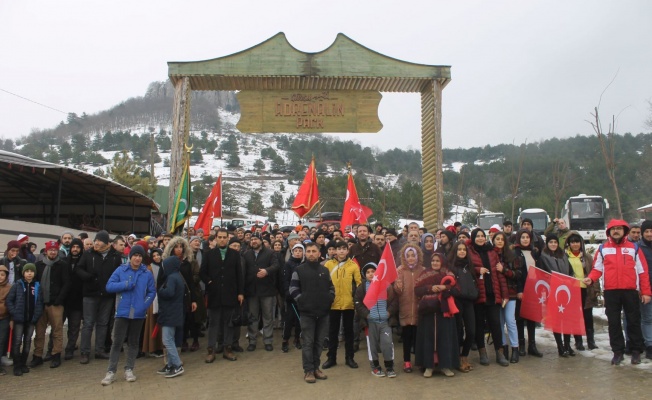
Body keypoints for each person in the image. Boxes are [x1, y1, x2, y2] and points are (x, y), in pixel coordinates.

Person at [584, 219, 652, 365]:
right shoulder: (603, 249)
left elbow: (642, 272)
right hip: (611, 292)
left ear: (624, 231)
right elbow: (597, 269)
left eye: (619, 229)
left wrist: (646, 292)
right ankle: (618, 352)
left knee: (634, 321)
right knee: (614, 323)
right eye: (613, 229)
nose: (616, 231)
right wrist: (590, 278)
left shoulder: (634, 248)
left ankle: (635, 351)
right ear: (609, 232)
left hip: (630, 291)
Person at [101, 245, 156, 386]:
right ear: (130, 256)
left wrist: (144, 305)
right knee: (117, 342)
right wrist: (125, 284)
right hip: (122, 312)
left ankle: (129, 369)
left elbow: (151, 292)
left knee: (133, 342)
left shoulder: (147, 273)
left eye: (140, 256)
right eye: (135, 255)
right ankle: (111, 371)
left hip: (138, 313)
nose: (137, 258)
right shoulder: (121, 270)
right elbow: (109, 286)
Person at [289, 242, 335, 384]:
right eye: (308, 251)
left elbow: (331, 287)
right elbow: (293, 289)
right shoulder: (299, 270)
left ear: (319, 253)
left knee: (319, 342)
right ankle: (308, 370)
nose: (310, 253)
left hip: (323, 313)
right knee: (308, 342)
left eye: (313, 251)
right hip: (307, 313)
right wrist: (302, 300)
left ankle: (316, 368)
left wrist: (329, 299)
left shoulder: (325, 270)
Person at [75, 230, 123, 364]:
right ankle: (85, 352)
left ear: (107, 242)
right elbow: (79, 269)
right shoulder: (88, 254)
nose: (96, 243)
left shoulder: (115, 256)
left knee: (103, 323)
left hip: (107, 294)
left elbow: (119, 272)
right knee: (88, 324)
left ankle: (100, 350)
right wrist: (88, 277)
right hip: (90, 294)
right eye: (96, 240)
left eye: (100, 240)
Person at [201, 228, 244, 363]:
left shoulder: (235, 254)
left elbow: (239, 275)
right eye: (219, 237)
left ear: (228, 239)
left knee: (228, 323)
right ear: (216, 239)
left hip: (230, 294)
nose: (222, 239)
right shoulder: (209, 254)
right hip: (214, 294)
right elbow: (202, 272)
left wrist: (240, 292)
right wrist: (209, 281)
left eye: (224, 237)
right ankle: (211, 350)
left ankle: (227, 349)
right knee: (214, 323)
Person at [468, 228, 510, 367]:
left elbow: (499, 275)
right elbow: (466, 269)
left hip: (493, 294)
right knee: (479, 325)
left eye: (482, 236)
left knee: (496, 324)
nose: (480, 238)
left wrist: (504, 294)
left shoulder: (492, 251)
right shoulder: (469, 251)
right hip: (478, 295)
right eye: (477, 236)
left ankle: (500, 352)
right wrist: (476, 270)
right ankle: (482, 353)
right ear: (473, 238)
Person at [415, 253, 460, 377]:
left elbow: (457, 290)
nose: (435, 263)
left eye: (437, 260)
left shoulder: (449, 275)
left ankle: (445, 366)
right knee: (429, 339)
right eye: (433, 260)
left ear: (442, 262)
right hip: (428, 312)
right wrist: (430, 288)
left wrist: (445, 287)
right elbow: (417, 289)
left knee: (444, 339)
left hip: (444, 312)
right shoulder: (424, 274)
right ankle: (429, 366)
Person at [322, 240, 362, 370]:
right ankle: (331, 358)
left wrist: (356, 301)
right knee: (332, 332)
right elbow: (323, 282)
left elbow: (359, 284)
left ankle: (349, 358)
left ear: (347, 250)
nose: (341, 251)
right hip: (333, 303)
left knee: (349, 332)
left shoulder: (353, 266)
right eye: (339, 249)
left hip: (348, 304)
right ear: (335, 250)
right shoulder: (328, 264)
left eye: (344, 248)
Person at [31, 240, 71, 369]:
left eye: (54, 250)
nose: (53, 252)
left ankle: (56, 354)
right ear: (46, 251)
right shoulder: (38, 265)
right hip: (41, 303)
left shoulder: (63, 265)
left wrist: (59, 299)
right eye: (50, 250)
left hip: (56, 303)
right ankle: (37, 356)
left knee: (57, 331)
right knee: (40, 331)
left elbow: (67, 284)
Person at [354, 262, 397, 378]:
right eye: (368, 272)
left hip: (384, 321)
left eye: (373, 271)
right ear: (364, 274)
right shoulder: (362, 287)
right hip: (370, 322)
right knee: (372, 345)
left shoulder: (386, 285)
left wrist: (389, 312)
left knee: (387, 343)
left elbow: (394, 301)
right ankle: (375, 366)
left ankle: (389, 366)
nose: (371, 274)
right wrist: (366, 315)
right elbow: (357, 303)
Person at [538, 234, 575, 357]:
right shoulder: (543, 257)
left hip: (565, 292)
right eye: (550, 242)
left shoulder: (563, 256)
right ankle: (560, 347)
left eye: (555, 242)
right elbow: (541, 274)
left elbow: (570, 271)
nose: (553, 244)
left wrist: (570, 281)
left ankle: (567, 345)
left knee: (567, 320)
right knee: (557, 321)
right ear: (547, 243)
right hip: (552, 293)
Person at [163, 237, 202, 353]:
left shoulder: (187, 263)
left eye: (181, 247)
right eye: (176, 247)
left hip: (186, 295)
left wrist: (193, 300)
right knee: (180, 322)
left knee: (191, 319)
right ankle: (182, 342)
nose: (179, 249)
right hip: (173, 296)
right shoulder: (167, 263)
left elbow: (191, 282)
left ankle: (194, 341)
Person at [242, 233, 280, 352]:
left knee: (267, 317)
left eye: (256, 239)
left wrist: (267, 271)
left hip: (267, 291)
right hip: (252, 291)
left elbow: (276, 265)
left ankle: (268, 340)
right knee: (252, 317)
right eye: (252, 239)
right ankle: (252, 341)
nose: (253, 241)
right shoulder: (246, 254)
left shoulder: (270, 253)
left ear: (261, 241)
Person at [564, 232, 600, 351]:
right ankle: (578, 341)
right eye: (573, 242)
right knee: (575, 316)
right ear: (569, 244)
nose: (575, 244)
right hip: (571, 290)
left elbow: (594, 272)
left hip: (586, 290)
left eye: (577, 242)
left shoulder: (587, 257)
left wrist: (596, 289)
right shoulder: (565, 257)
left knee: (588, 316)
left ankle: (591, 341)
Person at [7, 263, 44, 376]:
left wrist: (36, 316)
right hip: (19, 320)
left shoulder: (37, 285)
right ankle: (17, 365)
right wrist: (14, 313)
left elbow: (39, 303)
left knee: (28, 342)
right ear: (23, 273)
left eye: (31, 271)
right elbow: (9, 300)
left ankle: (23, 363)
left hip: (31, 320)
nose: (29, 273)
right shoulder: (17, 284)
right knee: (17, 341)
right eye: (27, 271)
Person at [393, 244, 424, 373]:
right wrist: (397, 285)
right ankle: (407, 361)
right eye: (408, 256)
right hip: (405, 308)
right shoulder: (400, 271)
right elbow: (397, 291)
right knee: (407, 337)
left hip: (419, 309)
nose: (411, 258)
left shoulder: (423, 270)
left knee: (418, 337)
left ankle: (420, 360)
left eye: (413, 255)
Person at [156, 256, 189, 378]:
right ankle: (170, 365)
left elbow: (169, 293)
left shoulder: (171, 277)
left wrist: (160, 290)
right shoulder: (177, 276)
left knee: (167, 340)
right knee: (171, 339)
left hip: (170, 313)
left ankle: (177, 364)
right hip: (174, 312)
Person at [448, 240, 477, 372]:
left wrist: (474, 293)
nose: (461, 251)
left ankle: (464, 356)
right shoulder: (450, 267)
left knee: (471, 331)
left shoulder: (469, 267)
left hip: (469, 301)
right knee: (458, 331)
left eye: (464, 250)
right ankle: (458, 359)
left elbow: (475, 283)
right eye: (459, 249)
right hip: (456, 301)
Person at [514, 229, 543, 357]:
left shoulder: (534, 252)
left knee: (532, 317)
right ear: (519, 238)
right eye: (523, 237)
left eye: (527, 237)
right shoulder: (515, 253)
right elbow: (517, 272)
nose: (525, 239)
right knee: (520, 318)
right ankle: (521, 345)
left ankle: (532, 345)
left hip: (533, 289)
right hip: (521, 289)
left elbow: (540, 270)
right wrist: (519, 290)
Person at [493, 232, 520, 363]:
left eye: (501, 239)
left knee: (510, 320)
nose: (499, 241)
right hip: (496, 293)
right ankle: (503, 349)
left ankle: (515, 348)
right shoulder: (491, 256)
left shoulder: (511, 256)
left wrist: (504, 270)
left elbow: (517, 274)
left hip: (510, 293)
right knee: (499, 322)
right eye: (497, 239)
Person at [281, 243, 304, 352]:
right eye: (296, 250)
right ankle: (285, 340)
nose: (298, 252)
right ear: (292, 252)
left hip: (302, 296)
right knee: (289, 319)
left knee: (300, 320)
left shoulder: (305, 264)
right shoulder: (288, 264)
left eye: (300, 250)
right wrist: (287, 293)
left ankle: (297, 339)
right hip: (291, 296)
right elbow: (285, 280)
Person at [142, 248, 164, 358]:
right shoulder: (149, 268)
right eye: (154, 255)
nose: (156, 257)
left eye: (158, 255)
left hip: (163, 296)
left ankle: (160, 346)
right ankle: (153, 347)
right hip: (153, 298)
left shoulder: (164, 266)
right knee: (153, 322)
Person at [639, 220, 652, 359]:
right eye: (647, 231)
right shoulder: (638, 248)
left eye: (651, 231)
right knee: (647, 318)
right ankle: (649, 345)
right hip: (646, 288)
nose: (649, 234)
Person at [0, 265, 10, 376]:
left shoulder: (9, 287)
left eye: (2, 275)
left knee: (1, 341)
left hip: (4, 318)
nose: (0, 277)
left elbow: (11, 303)